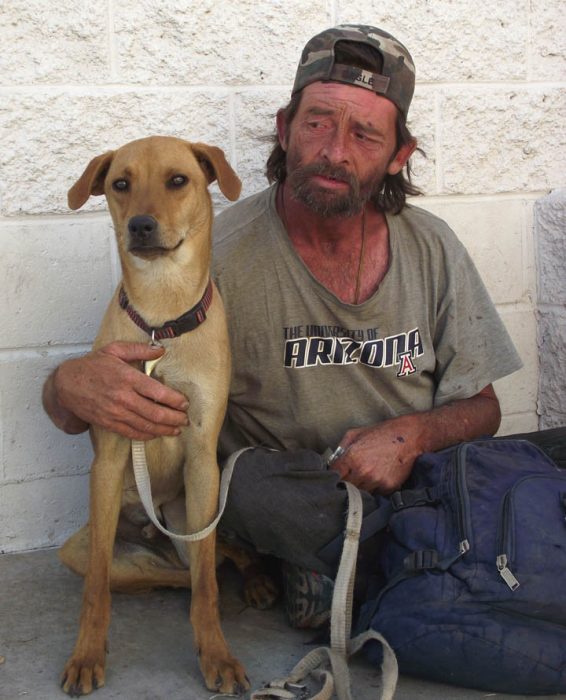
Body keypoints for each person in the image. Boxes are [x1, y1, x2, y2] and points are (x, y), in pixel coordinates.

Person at [43, 25, 522, 628]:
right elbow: (95, 401)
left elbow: (483, 409)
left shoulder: (433, 246)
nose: (335, 150)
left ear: (399, 153)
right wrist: (67, 386)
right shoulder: (207, 254)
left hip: (410, 477)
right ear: (284, 128)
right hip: (294, 491)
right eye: (318, 122)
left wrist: (410, 436)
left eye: (365, 133)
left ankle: (362, 567)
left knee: (528, 454)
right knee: (246, 487)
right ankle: (417, 569)